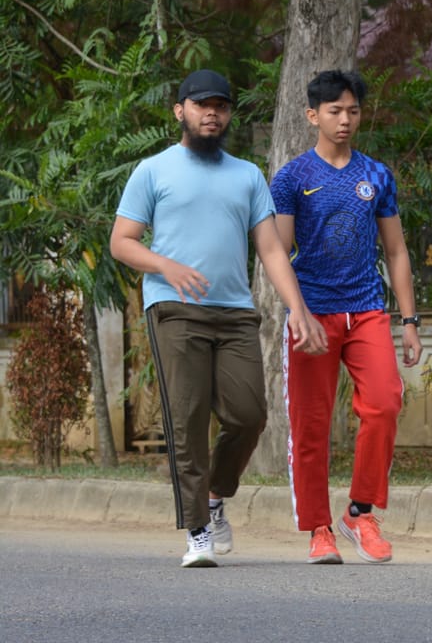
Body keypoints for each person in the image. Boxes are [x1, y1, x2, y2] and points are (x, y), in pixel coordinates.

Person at [110, 68, 328, 568]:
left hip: (234, 314)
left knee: (249, 416)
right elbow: (121, 241)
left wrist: (298, 309)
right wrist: (166, 266)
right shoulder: (153, 170)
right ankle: (197, 531)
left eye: (221, 106)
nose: (212, 113)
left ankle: (214, 497)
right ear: (180, 111)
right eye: (201, 105)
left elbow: (270, 249)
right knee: (186, 421)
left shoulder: (246, 175)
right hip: (174, 310)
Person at [270, 69, 422, 565]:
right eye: (334, 110)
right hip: (312, 317)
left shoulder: (376, 175)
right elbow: (278, 252)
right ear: (312, 115)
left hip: (367, 310)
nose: (345, 119)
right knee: (310, 424)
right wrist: (298, 313)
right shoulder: (292, 178)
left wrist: (409, 321)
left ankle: (360, 512)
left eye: (353, 111)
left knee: (384, 403)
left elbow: (396, 251)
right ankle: (319, 528)